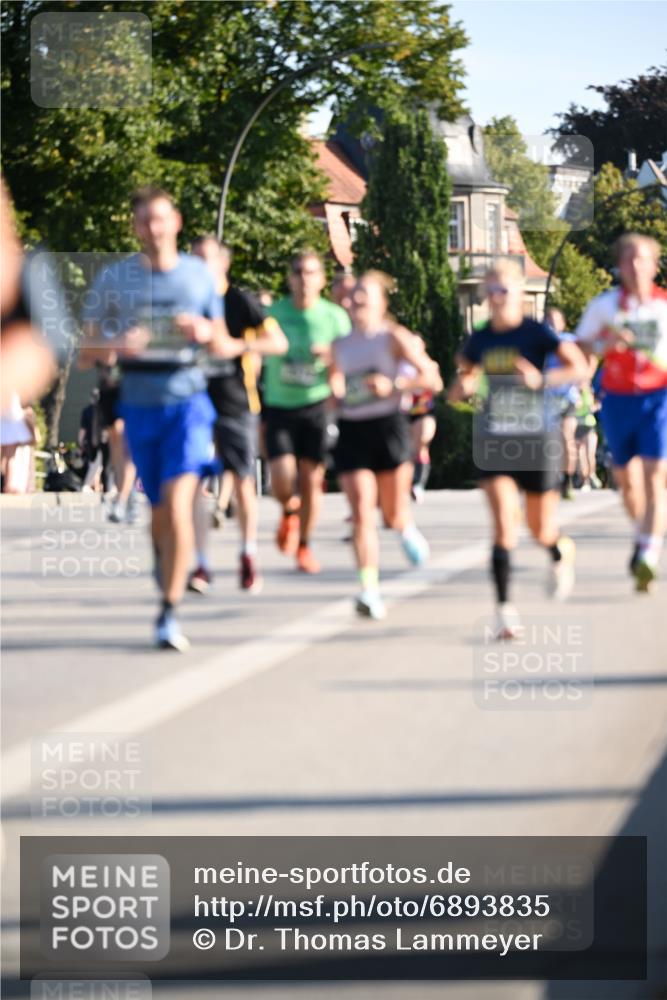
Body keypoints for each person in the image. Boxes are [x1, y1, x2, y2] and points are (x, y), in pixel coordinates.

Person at [79, 186, 237, 651]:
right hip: (139, 404)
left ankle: (168, 612)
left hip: (188, 404)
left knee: (177, 502)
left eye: (161, 219)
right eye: (145, 220)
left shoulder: (198, 277)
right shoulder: (115, 280)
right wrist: (117, 345)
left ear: (177, 222)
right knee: (158, 513)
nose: (153, 228)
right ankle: (163, 558)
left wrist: (207, 332)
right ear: (135, 227)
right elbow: (85, 352)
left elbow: (226, 345)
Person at [449, 260, 588, 639]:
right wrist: (461, 387)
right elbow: (463, 376)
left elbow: (579, 368)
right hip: (495, 438)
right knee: (503, 525)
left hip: (537, 438)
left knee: (539, 528)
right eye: (489, 292)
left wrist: (541, 378)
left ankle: (559, 552)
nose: (495, 298)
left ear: (519, 294)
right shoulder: (480, 339)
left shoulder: (536, 333)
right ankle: (505, 612)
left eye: (503, 291)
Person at [331, 271, 441, 619]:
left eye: (365, 294)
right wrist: (333, 399)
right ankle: (369, 589)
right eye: (354, 295)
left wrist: (392, 384)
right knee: (362, 511)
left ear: (381, 302)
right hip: (352, 429)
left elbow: (432, 378)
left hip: (388, 426)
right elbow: (334, 385)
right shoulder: (340, 345)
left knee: (392, 514)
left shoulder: (393, 337)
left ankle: (405, 528)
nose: (357, 300)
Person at [189, 235, 288, 593]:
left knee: (243, 479)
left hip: (235, 400)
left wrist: (236, 346)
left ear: (223, 263)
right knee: (193, 483)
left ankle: (248, 554)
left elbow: (278, 343)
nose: (198, 266)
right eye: (193, 259)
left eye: (206, 259)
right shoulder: (184, 301)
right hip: (190, 400)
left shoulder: (239, 301)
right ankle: (201, 564)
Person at [576, 233, 667, 592]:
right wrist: (605, 344)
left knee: (655, 475)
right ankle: (642, 532)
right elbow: (581, 344)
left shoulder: (663, 307)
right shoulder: (605, 306)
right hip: (618, 399)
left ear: (654, 264)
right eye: (628, 258)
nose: (634, 265)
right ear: (620, 266)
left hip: (659, 396)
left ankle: (648, 553)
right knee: (627, 481)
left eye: (641, 258)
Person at [263, 250, 351, 573]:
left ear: (322, 279)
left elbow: (349, 359)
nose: (304, 279)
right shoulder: (273, 313)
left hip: (318, 404)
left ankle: (304, 546)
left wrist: (330, 355)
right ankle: (289, 510)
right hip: (279, 404)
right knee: (282, 480)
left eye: (311, 272)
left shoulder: (333, 317)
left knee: (311, 480)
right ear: (290, 278)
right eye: (298, 272)